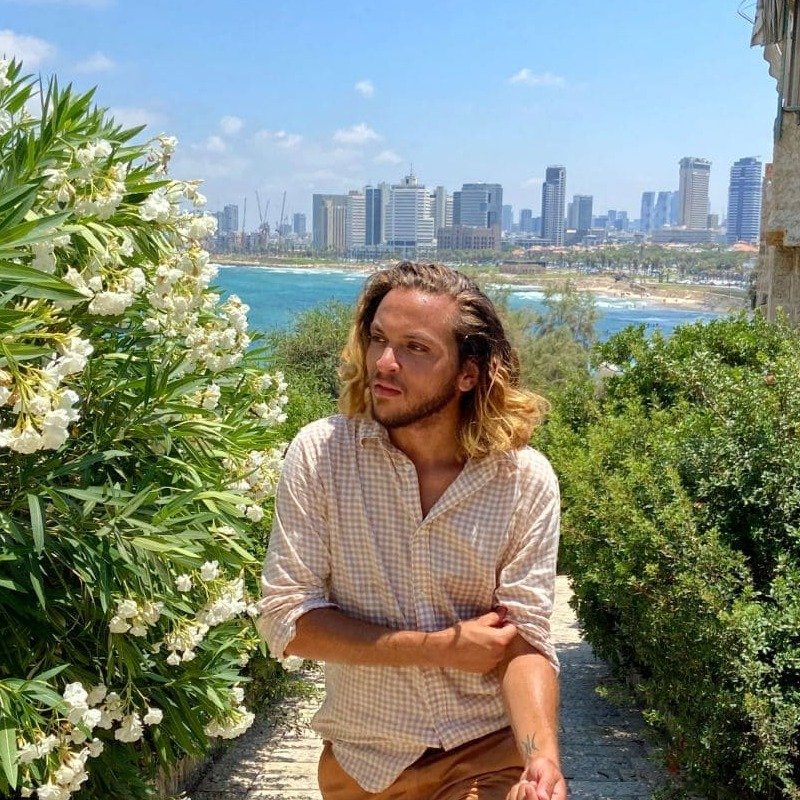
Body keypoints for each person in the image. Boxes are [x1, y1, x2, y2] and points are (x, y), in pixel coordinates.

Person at [258, 261, 566, 800]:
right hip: (365, 765)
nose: (385, 362)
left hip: (485, 755)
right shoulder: (322, 455)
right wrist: (439, 647)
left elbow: (526, 642)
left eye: (416, 348)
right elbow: (288, 620)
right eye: (378, 339)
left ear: (469, 373)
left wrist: (540, 758)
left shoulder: (524, 480)